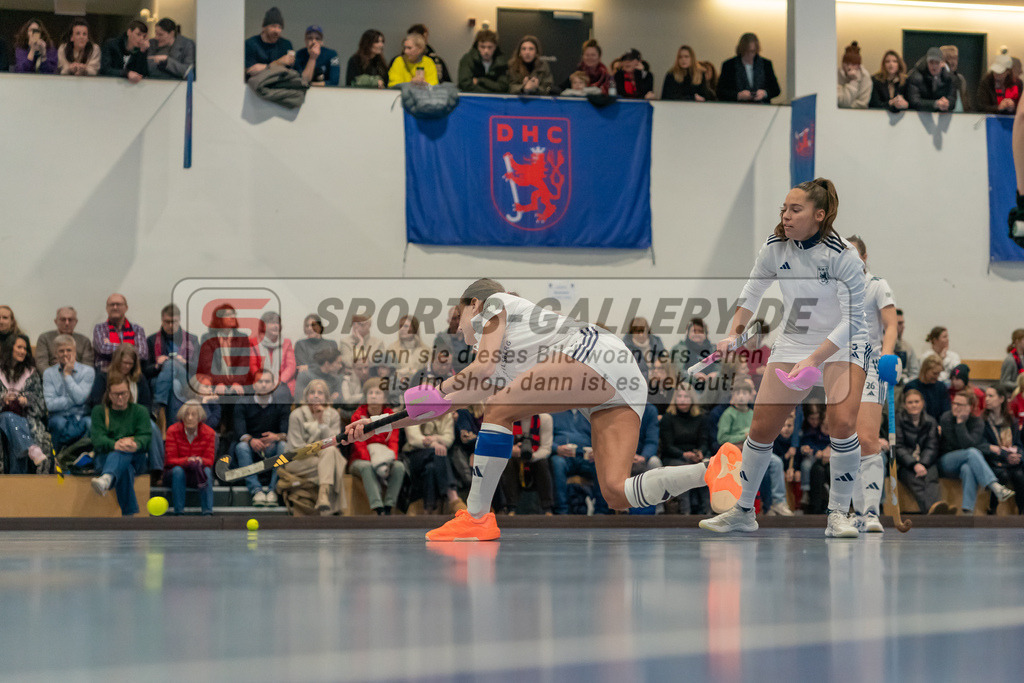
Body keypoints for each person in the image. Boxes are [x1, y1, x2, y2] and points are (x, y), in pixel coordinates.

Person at [346, 279, 740, 540]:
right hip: (621, 377)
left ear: (475, 303)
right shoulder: (506, 356)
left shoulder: (495, 303)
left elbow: (476, 372)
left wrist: (438, 388)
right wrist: (378, 423)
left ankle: (478, 517)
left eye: (459, 314)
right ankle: (711, 470)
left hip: (593, 352)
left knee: (498, 409)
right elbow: (448, 401)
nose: (457, 324)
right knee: (616, 492)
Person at [699, 178, 870, 537]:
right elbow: (753, 289)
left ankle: (839, 513)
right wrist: (734, 333)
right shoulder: (775, 247)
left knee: (841, 423)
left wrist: (814, 360)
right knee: (761, 428)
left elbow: (854, 320)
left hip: (844, 340)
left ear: (819, 215)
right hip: (795, 338)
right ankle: (744, 510)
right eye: (784, 208)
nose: (786, 216)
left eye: (796, 209)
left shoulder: (843, 255)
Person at [846, 235, 897, 533]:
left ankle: (871, 511)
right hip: (841, 369)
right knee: (845, 442)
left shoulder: (877, 284)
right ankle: (854, 512)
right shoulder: (835, 290)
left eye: (854, 254)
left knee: (866, 438)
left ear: (864, 257)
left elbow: (890, 325)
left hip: (872, 367)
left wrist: (887, 356)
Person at [938, 391, 1014, 514]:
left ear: (970, 407)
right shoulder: (946, 418)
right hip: (946, 461)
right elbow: (962, 445)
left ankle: (968, 511)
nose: (955, 406)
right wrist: (960, 423)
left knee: (968, 468)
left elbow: (970, 444)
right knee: (972, 452)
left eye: (960, 404)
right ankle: (994, 486)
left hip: (968, 461)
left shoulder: (977, 422)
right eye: (954, 403)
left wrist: (961, 424)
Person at [90, 378, 151, 514]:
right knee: (125, 469)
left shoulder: (140, 411)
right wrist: (115, 444)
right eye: (116, 394)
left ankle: (107, 478)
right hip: (105, 457)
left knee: (125, 452)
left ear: (129, 392)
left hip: (136, 457)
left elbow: (146, 437)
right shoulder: (99, 411)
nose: (121, 397)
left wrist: (135, 444)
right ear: (109, 394)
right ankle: (129, 516)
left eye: (124, 393)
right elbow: (97, 439)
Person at [286, 379, 347, 515]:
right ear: (306, 396)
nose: (316, 396)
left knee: (331, 452)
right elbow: (296, 448)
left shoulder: (333, 415)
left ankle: (323, 496)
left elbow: (335, 442)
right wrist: (319, 451)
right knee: (332, 460)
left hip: (323, 459)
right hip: (298, 461)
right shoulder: (297, 415)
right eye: (312, 392)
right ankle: (332, 508)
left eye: (320, 393)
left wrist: (321, 423)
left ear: (326, 397)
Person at [232, 369, 291, 506]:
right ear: (253, 384)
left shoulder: (281, 404)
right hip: (251, 447)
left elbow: (286, 432)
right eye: (260, 381)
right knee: (241, 447)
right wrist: (251, 440)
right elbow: (239, 431)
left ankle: (273, 491)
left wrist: (276, 437)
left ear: (273, 385)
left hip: (273, 447)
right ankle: (256, 490)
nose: (263, 385)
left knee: (283, 446)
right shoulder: (243, 403)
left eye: (267, 381)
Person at [348, 379, 404, 515]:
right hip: (360, 459)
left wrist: (388, 461)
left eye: (377, 393)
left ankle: (389, 506)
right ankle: (378, 508)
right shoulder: (357, 415)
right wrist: (373, 462)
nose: (373, 396)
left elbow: (393, 442)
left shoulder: (391, 415)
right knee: (366, 467)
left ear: (384, 397)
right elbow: (359, 445)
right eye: (370, 393)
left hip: (384, 458)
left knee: (399, 467)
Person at [888, 389, 946, 514]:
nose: (914, 405)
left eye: (916, 401)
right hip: (904, 463)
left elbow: (932, 446)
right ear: (904, 405)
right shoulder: (897, 420)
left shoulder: (931, 421)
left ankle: (935, 507)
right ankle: (933, 510)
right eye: (910, 402)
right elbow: (897, 446)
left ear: (922, 403)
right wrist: (914, 464)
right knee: (915, 479)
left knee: (931, 475)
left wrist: (923, 464)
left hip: (925, 462)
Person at [0, 335, 52, 472]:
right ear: (9, 348)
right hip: (2, 418)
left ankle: (18, 483)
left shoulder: (31, 373)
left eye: (25, 348)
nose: (23, 351)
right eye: (19, 347)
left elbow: (40, 401)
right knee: (7, 417)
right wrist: (3, 398)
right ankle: (30, 448)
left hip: (26, 418)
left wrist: (27, 400)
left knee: (13, 426)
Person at [656, 384, 710, 514]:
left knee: (707, 469)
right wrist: (684, 454)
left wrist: (700, 452)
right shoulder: (668, 418)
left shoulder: (701, 417)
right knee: (684, 471)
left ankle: (709, 512)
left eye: (686, 396)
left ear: (692, 399)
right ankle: (686, 514)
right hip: (674, 457)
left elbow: (704, 441)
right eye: (679, 396)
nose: (682, 399)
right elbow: (667, 446)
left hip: (695, 455)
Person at [43, 334, 95, 451]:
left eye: (69, 350)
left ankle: (84, 464)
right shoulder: (48, 373)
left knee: (90, 423)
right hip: (58, 417)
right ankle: (55, 460)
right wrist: (75, 399)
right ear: (56, 353)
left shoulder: (88, 371)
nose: (65, 354)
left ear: (75, 351)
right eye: (61, 351)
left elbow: (81, 399)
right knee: (58, 423)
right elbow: (50, 405)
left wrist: (67, 375)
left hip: (81, 416)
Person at [163, 400, 216, 515]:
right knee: (178, 471)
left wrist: (199, 460)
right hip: (175, 473)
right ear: (182, 416)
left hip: (197, 473)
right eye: (187, 414)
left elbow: (210, 460)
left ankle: (208, 512)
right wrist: (187, 460)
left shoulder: (209, 432)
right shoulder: (173, 430)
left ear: (199, 417)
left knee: (206, 470)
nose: (190, 418)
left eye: (193, 414)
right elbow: (170, 460)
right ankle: (179, 512)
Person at [144, 304, 198, 413]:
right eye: (167, 322)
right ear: (162, 321)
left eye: (174, 321)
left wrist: (184, 362)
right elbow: (145, 370)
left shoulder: (192, 339)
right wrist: (157, 365)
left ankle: (157, 405)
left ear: (179, 320)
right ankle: (171, 425)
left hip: (186, 379)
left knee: (172, 364)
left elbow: (199, 368)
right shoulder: (152, 340)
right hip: (160, 377)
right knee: (174, 385)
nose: (170, 325)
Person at [981, 386, 1024, 514]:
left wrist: (1019, 456)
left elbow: (1018, 444)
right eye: (986, 396)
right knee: (1003, 475)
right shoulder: (982, 421)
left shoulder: (1011, 421)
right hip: (993, 461)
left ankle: (1021, 511)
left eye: (991, 396)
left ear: (1001, 399)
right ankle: (992, 509)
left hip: (1012, 461)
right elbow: (984, 447)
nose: (987, 399)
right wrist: (1005, 455)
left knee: (1019, 475)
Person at [717, 33, 780, 104]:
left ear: (757, 50)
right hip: (736, 109)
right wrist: (738, 95)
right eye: (746, 52)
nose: (749, 55)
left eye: (752, 52)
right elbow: (720, 92)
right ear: (741, 50)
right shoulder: (729, 65)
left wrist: (764, 93)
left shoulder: (766, 64)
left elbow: (776, 90)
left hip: (762, 108)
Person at [92, 293, 147, 373]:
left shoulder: (137, 329)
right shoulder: (99, 328)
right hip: (106, 372)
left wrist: (112, 345)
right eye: (112, 304)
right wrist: (130, 349)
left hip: (131, 372)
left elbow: (142, 354)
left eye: (118, 304)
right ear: (107, 308)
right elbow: (103, 349)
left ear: (126, 308)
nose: (115, 307)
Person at [35, 306, 94, 373]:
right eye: (63, 319)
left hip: (77, 379)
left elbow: (87, 366)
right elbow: (41, 364)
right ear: (56, 321)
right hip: (52, 378)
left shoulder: (84, 341)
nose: (67, 323)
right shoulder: (45, 338)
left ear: (76, 322)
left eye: (70, 320)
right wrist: (53, 378)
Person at [244, 7, 293, 81]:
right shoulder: (251, 44)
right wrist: (278, 63)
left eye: (279, 27)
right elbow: (251, 71)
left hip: (278, 86)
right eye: (273, 26)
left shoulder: (286, 44)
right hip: (254, 88)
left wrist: (263, 67)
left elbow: (289, 72)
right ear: (264, 27)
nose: (277, 31)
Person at [255, 311, 295, 395]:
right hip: (260, 381)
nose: (276, 326)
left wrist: (279, 381)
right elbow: (253, 365)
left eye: (278, 323)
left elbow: (291, 366)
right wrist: (264, 380)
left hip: (282, 383)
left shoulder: (286, 343)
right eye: (272, 323)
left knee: (280, 394)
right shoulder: (255, 343)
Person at [385, 315, 430, 390]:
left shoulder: (425, 350)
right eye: (400, 326)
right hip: (397, 387)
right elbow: (388, 371)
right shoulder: (392, 348)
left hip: (419, 387)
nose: (402, 329)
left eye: (406, 326)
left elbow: (428, 372)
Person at [457, 29, 508, 94]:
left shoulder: (502, 62)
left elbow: (503, 87)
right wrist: (489, 92)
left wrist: (480, 80)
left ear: (495, 47)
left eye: (490, 47)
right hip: (472, 100)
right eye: (482, 47)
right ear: (477, 46)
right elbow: (465, 84)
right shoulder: (468, 59)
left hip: (495, 101)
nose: (486, 51)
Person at [907, 47, 956, 112]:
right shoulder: (916, 77)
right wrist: (935, 104)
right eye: (931, 62)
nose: (934, 66)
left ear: (942, 63)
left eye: (937, 63)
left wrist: (947, 104)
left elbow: (952, 100)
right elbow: (914, 101)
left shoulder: (949, 78)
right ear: (927, 62)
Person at [905, 356, 950, 422]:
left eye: (939, 373)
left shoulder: (941, 387)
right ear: (925, 370)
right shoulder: (911, 387)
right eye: (934, 373)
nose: (937, 377)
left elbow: (946, 410)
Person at [977, 51, 1021, 115]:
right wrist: (998, 108)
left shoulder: (1017, 83)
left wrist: (1013, 107)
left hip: (1012, 120)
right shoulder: (986, 82)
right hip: (991, 120)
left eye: (1000, 72)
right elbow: (981, 106)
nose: (996, 74)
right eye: (995, 71)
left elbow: (1021, 107)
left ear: (1008, 72)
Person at [837, 42, 871, 110]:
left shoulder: (865, 76)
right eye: (846, 63)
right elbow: (838, 101)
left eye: (853, 64)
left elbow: (863, 104)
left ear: (858, 66)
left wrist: (854, 80)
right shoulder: (836, 74)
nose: (849, 67)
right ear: (842, 63)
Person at [893, 309, 919, 385]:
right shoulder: (879, 346)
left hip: (903, 386)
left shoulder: (907, 347)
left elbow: (915, 372)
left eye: (903, 323)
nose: (903, 326)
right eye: (899, 323)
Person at [940, 45, 970, 113]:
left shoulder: (960, 79)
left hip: (961, 117)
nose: (953, 62)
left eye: (955, 58)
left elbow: (965, 102)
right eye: (949, 58)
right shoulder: (937, 78)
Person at [1001, 328, 1024, 395]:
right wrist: (1020, 385)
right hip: (1012, 396)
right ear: (1017, 341)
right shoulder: (1010, 360)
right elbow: (1004, 382)